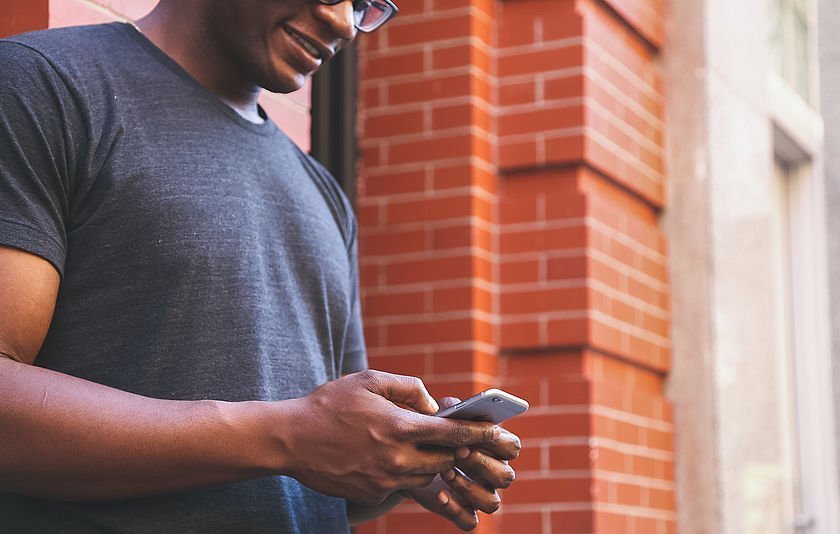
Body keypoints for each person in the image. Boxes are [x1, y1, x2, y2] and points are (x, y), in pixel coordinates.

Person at [0, 0, 521, 532]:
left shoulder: (323, 195)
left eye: (365, 5)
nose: (344, 22)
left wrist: (399, 462)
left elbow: (319, 462)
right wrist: (287, 436)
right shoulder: (40, 85)